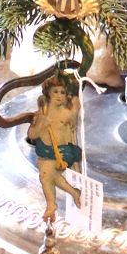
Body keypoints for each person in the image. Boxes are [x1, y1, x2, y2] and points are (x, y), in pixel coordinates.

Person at [27, 73, 82, 221]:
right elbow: (32, 134)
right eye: (55, 92)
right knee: (47, 176)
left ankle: (52, 204)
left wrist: (76, 90)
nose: (58, 95)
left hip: (63, 152)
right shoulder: (43, 111)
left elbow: (76, 108)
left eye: (62, 92)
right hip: (44, 150)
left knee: (46, 175)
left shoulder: (68, 112)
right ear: (48, 93)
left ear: (67, 95)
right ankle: (73, 193)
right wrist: (41, 125)